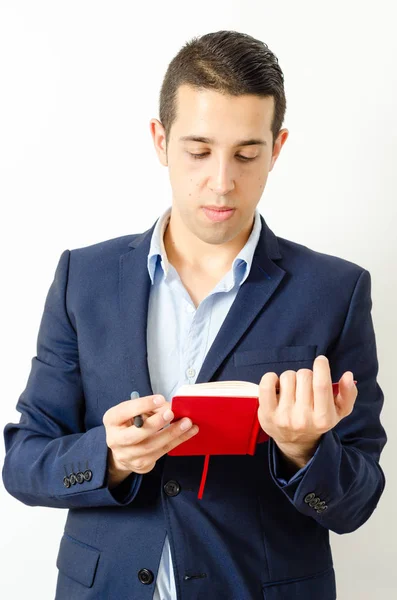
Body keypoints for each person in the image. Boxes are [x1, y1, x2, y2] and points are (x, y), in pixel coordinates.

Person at [2, 30, 387, 600]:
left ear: (277, 149)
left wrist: (304, 450)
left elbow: (357, 502)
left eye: (247, 154)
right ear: (160, 141)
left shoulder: (337, 291)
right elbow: (24, 461)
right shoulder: (82, 279)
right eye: (199, 150)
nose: (222, 181)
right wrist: (106, 458)